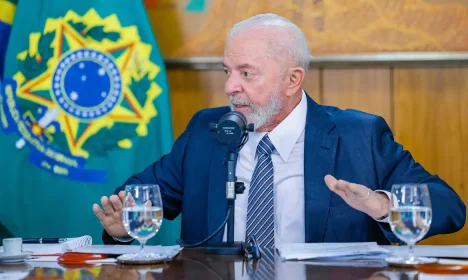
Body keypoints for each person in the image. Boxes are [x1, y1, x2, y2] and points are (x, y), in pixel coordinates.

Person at [93, 13, 466, 247]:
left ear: (292, 80)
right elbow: (136, 204)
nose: (230, 87)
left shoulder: (359, 136)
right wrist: (122, 227)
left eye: (246, 73)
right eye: (227, 71)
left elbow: (449, 207)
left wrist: (383, 206)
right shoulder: (205, 131)